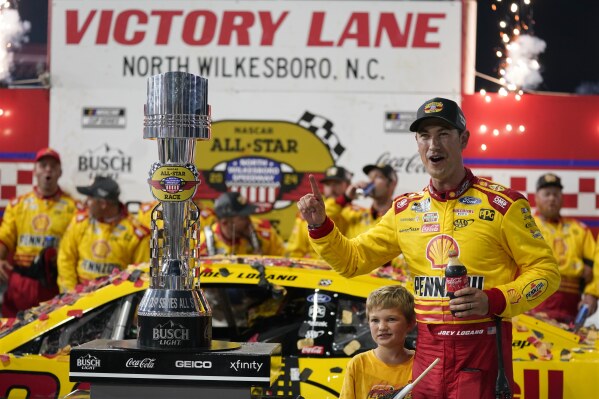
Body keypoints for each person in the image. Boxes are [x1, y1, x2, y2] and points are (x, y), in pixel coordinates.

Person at [297, 97, 560, 398]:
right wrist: (320, 226)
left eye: (444, 134)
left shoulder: (504, 205)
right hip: (427, 354)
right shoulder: (405, 210)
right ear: (418, 143)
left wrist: (496, 299)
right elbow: (352, 261)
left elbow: (547, 273)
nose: (433, 144)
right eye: (425, 136)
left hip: (482, 347)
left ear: (463, 139)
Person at [0, 148, 78, 316]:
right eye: (43, 165)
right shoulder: (18, 204)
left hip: (53, 283)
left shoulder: (73, 208)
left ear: (60, 172)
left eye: (53, 166)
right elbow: (4, 237)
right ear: (35, 170)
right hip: (21, 282)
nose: (48, 169)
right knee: (12, 334)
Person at [57, 176, 150, 292]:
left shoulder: (137, 234)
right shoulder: (80, 221)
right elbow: (65, 258)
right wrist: (70, 294)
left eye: (90, 198)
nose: (85, 202)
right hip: (78, 299)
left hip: (114, 302)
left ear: (103, 204)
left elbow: (140, 274)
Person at [532, 173, 597, 323]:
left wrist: (591, 294)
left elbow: (595, 268)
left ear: (562, 198)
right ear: (536, 198)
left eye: (556, 194)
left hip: (571, 307)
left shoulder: (580, 230)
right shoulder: (525, 226)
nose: (552, 198)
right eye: (547, 194)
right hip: (533, 302)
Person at [339, 285, 416, 399]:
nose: (382, 327)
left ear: (410, 323)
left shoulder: (421, 364)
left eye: (391, 319)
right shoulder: (358, 364)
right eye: (375, 320)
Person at [286, 165, 353, 258]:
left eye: (337, 183)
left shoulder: (357, 213)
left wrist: (344, 199)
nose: (332, 188)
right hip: (315, 269)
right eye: (328, 184)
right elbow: (295, 252)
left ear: (348, 185)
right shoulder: (309, 211)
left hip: (347, 267)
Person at [198, 192, 285, 256]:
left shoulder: (264, 232)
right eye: (243, 217)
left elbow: (284, 262)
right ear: (225, 222)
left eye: (248, 215)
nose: (249, 221)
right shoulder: (202, 243)